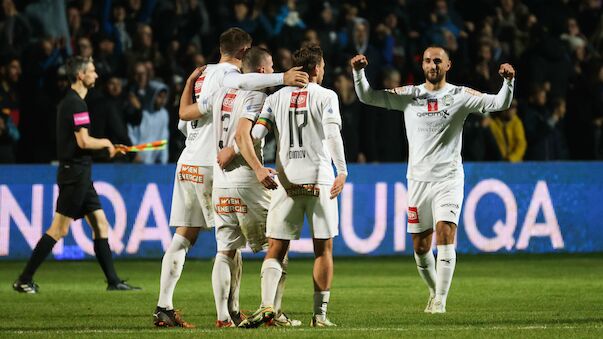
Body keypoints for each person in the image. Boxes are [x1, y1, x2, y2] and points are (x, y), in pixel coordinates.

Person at [153, 27, 308, 328]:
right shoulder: (234, 79)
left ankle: (166, 305)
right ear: (242, 54)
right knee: (257, 244)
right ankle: (251, 310)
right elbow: (247, 91)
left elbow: (184, 115)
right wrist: (282, 78)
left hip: (188, 161)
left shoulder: (204, 76)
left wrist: (187, 82)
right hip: (220, 165)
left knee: (186, 236)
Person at [351, 46, 515, 313]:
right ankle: (433, 289)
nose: (432, 65)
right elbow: (368, 97)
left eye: (437, 61)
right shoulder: (410, 95)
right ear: (422, 65)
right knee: (420, 247)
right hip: (418, 181)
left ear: (448, 65)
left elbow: (499, 103)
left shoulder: (460, 95)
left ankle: (440, 300)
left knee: (445, 232)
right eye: (427, 61)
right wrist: (359, 73)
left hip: (448, 179)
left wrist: (508, 82)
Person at [239, 44, 347, 328]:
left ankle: (266, 306)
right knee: (323, 250)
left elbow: (257, 134)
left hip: (286, 183)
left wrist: (260, 166)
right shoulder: (326, 96)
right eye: (322, 67)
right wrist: (342, 171)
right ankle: (320, 316)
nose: (323, 71)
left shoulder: (275, 99)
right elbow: (333, 134)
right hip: (319, 178)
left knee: (276, 248)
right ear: (315, 69)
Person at [12, 56, 140, 293]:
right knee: (59, 229)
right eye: (92, 71)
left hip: (81, 172)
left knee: (100, 224)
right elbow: (83, 140)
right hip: (75, 175)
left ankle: (113, 282)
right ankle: (24, 279)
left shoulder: (72, 103)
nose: (96, 75)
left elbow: (78, 145)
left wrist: (107, 150)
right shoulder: (75, 104)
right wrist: (105, 142)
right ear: (81, 75)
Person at [200, 47, 301, 328]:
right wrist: (257, 169)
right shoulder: (256, 96)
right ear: (261, 70)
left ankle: (223, 317)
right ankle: (272, 312)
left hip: (221, 182)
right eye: (270, 68)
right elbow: (243, 134)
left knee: (226, 251)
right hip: (246, 181)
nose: (272, 72)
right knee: (277, 245)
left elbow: (190, 118)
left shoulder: (222, 92)